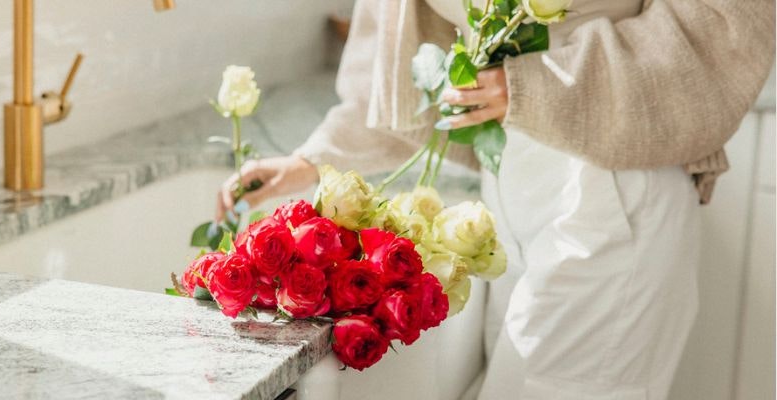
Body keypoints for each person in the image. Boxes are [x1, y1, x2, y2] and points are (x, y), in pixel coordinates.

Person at [215, 0, 775, 399]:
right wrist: (315, 160)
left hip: (612, 185)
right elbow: (396, 52)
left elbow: (726, 22)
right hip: (509, 189)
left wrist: (544, 82)